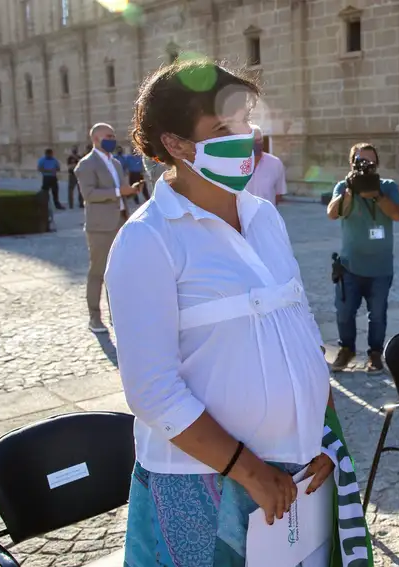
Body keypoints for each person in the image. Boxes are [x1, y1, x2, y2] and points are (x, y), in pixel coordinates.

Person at [106, 59, 373, 567]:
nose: (246, 135)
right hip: (202, 485)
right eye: (223, 127)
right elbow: (152, 390)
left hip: (296, 471)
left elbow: (297, 334)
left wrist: (319, 437)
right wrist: (250, 471)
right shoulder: (147, 240)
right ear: (178, 144)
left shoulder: (264, 216)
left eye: (246, 118)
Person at [326, 143, 399, 373]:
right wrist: (350, 191)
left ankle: (375, 354)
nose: (365, 167)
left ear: (377, 164)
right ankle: (346, 349)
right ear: (351, 165)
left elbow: (397, 215)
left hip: (380, 267)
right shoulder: (343, 186)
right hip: (350, 265)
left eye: (369, 162)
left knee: (377, 315)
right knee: (344, 312)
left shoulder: (388, 186)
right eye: (360, 162)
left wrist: (377, 196)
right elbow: (332, 213)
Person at [75, 123, 139, 334]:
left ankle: (117, 314)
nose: (112, 139)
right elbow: (89, 195)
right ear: (95, 139)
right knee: (98, 272)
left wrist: (128, 191)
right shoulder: (86, 165)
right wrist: (118, 191)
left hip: (120, 222)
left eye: (113, 135)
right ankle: (94, 318)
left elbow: (118, 191)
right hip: (100, 227)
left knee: (119, 272)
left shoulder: (117, 163)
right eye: (108, 136)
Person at [247, 125, 288, 205]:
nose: (257, 144)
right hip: (242, 216)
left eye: (259, 140)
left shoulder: (275, 163)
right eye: (253, 141)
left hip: (266, 215)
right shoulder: (236, 164)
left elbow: (278, 194)